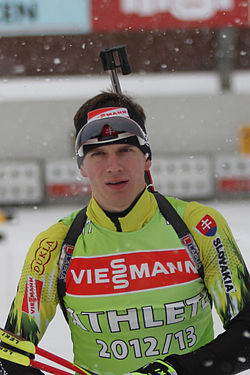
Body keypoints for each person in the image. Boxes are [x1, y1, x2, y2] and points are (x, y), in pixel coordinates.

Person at [1, 91, 250, 375]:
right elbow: (11, 353)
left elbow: (246, 334)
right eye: (98, 154)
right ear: (82, 166)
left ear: (146, 158)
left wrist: (175, 370)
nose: (114, 167)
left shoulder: (199, 226)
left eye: (125, 150)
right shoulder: (56, 244)